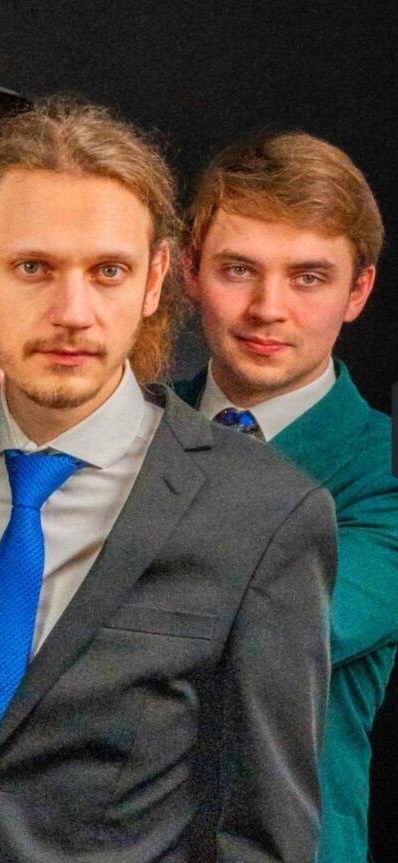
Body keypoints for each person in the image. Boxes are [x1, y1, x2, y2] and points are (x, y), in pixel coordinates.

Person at [0, 99, 334, 861]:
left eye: (107, 271)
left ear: (153, 280)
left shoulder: (265, 513)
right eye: (33, 268)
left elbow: (265, 836)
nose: (72, 312)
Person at [174, 131, 398, 863]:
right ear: (188, 270)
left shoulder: (384, 472)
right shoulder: (127, 419)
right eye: (239, 269)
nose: (268, 308)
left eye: (308, 277)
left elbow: (274, 632)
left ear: (358, 291)